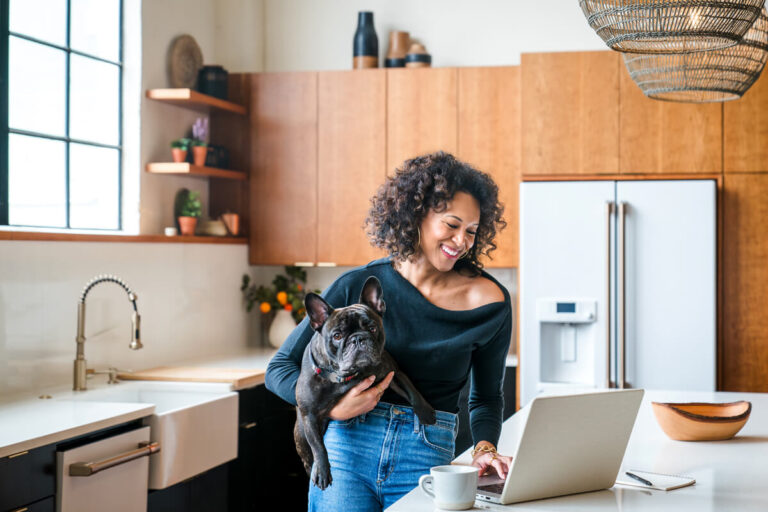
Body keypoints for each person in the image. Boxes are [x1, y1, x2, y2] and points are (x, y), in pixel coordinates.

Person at [265, 151, 513, 511]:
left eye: (472, 231)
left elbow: (487, 397)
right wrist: (332, 409)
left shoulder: (490, 303)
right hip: (345, 451)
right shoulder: (356, 286)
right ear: (416, 216)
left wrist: (485, 448)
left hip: (427, 455)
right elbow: (279, 369)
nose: (462, 241)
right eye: (452, 224)